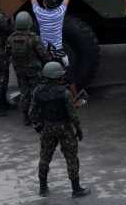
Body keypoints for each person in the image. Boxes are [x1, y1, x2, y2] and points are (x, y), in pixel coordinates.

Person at [29, 62, 89, 198]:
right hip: (64, 128)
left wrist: (38, 126)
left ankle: (43, 188)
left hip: (47, 127)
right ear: (58, 77)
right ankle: (76, 189)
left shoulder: (38, 91)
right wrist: (78, 129)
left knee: (44, 157)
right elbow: (72, 115)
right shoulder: (65, 93)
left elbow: (32, 113)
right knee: (71, 158)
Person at [6, 11, 51, 126]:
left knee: (24, 92)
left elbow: (7, 53)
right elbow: (44, 56)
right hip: (34, 71)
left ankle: (26, 117)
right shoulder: (34, 39)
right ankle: (36, 117)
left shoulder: (11, 39)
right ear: (29, 23)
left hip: (19, 70)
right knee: (35, 92)